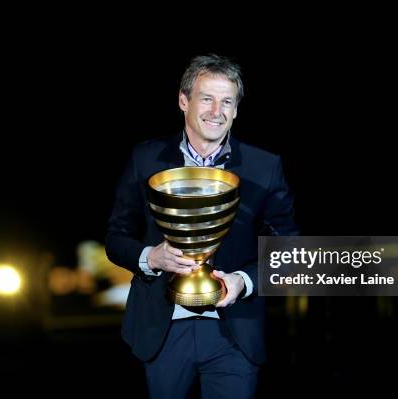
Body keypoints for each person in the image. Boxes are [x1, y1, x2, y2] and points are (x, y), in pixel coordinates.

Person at [105, 54, 299, 399]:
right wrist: (152, 257)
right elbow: (116, 238)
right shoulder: (145, 159)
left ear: (237, 109)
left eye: (227, 101)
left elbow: (288, 249)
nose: (216, 111)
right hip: (161, 331)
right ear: (183, 101)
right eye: (206, 98)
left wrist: (244, 281)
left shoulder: (264, 166)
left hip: (235, 333)